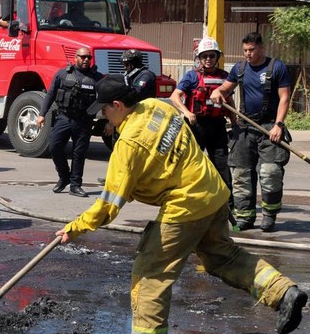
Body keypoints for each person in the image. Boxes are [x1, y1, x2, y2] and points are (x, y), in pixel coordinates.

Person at [56, 76, 307, 334]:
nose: (103, 116)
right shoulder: (155, 106)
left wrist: (74, 228)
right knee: (223, 257)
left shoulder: (128, 144)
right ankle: (283, 291)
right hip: (212, 192)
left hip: (185, 206)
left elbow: (109, 206)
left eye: (105, 111)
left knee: (151, 273)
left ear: (117, 105)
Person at [210, 32, 292, 233]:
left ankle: (270, 216)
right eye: (245, 50)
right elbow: (225, 89)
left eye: (252, 50)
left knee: (270, 172)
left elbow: (284, 98)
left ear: (261, 48)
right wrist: (217, 92)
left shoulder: (277, 68)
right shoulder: (239, 68)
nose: (248, 54)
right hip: (245, 129)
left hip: (269, 127)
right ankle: (245, 217)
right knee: (241, 175)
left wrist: (278, 125)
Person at [170, 37, 234, 201]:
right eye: (204, 56)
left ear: (217, 57)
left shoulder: (226, 77)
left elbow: (230, 102)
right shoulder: (191, 76)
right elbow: (174, 96)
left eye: (211, 56)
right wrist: (186, 112)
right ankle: (190, 198)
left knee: (221, 164)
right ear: (199, 58)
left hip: (218, 126)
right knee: (191, 164)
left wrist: (235, 123)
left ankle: (226, 201)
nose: (208, 59)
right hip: (195, 125)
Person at [37, 47, 103, 197]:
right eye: (83, 57)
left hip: (84, 121)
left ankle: (75, 185)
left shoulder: (97, 78)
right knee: (54, 147)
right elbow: (51, 94)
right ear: (76, 57)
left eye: (89, 58)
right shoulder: (63, 74)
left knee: (79, 154)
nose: (86, 60)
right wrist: (42, 114)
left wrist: (109, 122)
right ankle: (64, 176)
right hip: (64, 117)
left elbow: (106, 99)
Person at [99, 48, 157, 165]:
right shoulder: (128, 75)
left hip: (140, 118)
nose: (124, 67)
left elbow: (135, 93)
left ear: (133, 63)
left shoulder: (145, 75)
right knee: (118, 146)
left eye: (126, 64)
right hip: (126, 117)